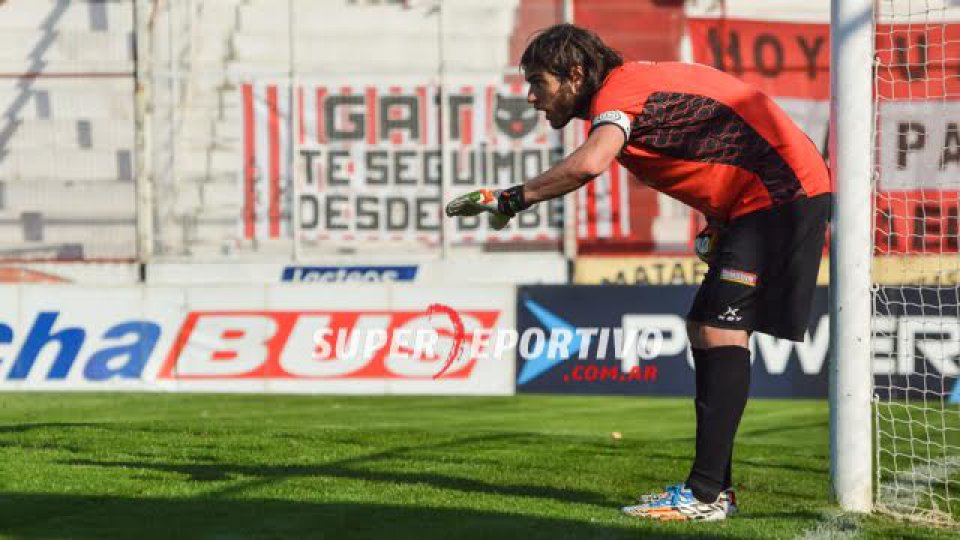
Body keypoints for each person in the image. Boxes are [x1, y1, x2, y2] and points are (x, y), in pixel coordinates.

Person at [445, 23, 831, 522]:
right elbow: (723, 138)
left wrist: (511, 198)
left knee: (718, 330)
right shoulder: (633, 85)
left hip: (780, 194)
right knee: (706, 328)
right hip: (764, 197)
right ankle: (714, 490)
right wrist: (721, 221)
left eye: (539, 82)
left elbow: (589, 164)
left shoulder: (619, 91)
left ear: (575, 74)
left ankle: (705, 495)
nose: (532, 97)